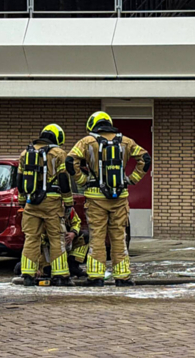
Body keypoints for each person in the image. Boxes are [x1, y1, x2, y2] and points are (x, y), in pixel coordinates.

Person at [68, 111, 151, 287]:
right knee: (119, 238)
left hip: (95, 197)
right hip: (120, 197)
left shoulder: (86, 142)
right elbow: (145, 159)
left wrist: (82, 181)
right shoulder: (126, 142)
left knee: (97, 237)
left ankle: (95, 277)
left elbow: (70, 161)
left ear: (93, 125)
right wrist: (132, 179)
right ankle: (122, 277)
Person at [18, 123, 74, 287]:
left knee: (31, 238)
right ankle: (61, 275)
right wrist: (68, 201)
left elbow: (20, 181)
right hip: (52, 202)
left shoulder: (25, 153)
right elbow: (64, 180)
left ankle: (28, 274)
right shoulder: (58, 153)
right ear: (56, 138)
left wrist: (22, 201)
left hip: (31, 202)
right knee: (56, 238)